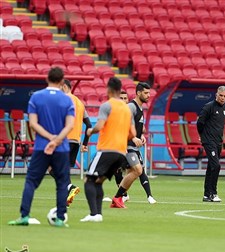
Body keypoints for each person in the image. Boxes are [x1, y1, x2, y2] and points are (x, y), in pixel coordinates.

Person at [8, 67, 75, 227]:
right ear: (61, 81)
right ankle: (60, 218)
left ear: (47, 79)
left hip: (41, 147)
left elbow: (33, 123)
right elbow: (70, 125)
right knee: (62, 182)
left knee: (31, 180)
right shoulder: (67, 100)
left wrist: (49, 138)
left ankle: (24, 216)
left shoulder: (37, 97)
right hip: (61, 148)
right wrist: (57, 139)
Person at [80, 77, 135, 222]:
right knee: (98, 181)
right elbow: (133, 134)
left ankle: (93, 214)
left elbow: (99, 126)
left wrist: (90, 131)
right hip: (122, 153)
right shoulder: (128, 109)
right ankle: (98, 214)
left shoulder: (107, 105)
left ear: (109, 90)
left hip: (107, 149)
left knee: (88, 180)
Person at [110, 82, 156, 208]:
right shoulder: (131, 106)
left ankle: (119, 198)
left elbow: (134, 127)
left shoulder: (140, 109)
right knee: (137, 170)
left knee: (133, 172)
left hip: (131, 145)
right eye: (146, 93)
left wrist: (140, 135)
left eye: (149, 93)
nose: (148, 96)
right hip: (125, 145)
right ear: (138, 93)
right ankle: (118, 197)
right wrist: (133, 137)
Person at [47, 79, 92, 207]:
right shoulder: (80, 103)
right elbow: (88, 125)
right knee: (64, 170)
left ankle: (70, 187)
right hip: (75, 142)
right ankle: (67, 195)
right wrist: (85, 144)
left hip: (64, 140)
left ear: (65, 87)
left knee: (50, 167)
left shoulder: (63, 100)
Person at [197, 85, 225, 202]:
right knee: (216, 166)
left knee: (211, 167)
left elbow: (219, 125)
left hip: (218, 142)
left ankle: (206, 195)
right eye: (220, 95)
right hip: (209, 141)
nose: (222, 98)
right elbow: (200, 122)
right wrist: (202, 136)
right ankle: (214, 193)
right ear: (216, 95)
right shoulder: (209, 107)